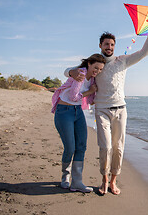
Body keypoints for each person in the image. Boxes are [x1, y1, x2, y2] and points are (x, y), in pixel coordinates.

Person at [64, 18, 148, 195]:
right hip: (101, 110)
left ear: (115, 46)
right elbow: (67, 70)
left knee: (119, 148)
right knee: (105, 146)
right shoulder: (95, 63)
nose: (109, 47)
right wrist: (72, 72)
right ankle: (104, 180)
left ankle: (113, 181)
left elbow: (145, 52)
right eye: (106, 44)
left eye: (112, 44)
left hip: (121, 110)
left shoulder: (123, 61)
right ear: (100, 45)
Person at [52, 53, 106, 193]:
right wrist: (89, 92)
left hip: (78, 112)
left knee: (81, 146)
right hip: (64, 112)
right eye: (96, 68)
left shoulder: (92, 80)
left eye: (100, 70)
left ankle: (77, 182)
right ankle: (65, 177)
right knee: (70, 147)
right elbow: (73, 96)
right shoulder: (80, 74)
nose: (97, 72)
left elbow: (91, 100)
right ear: (89, 64)